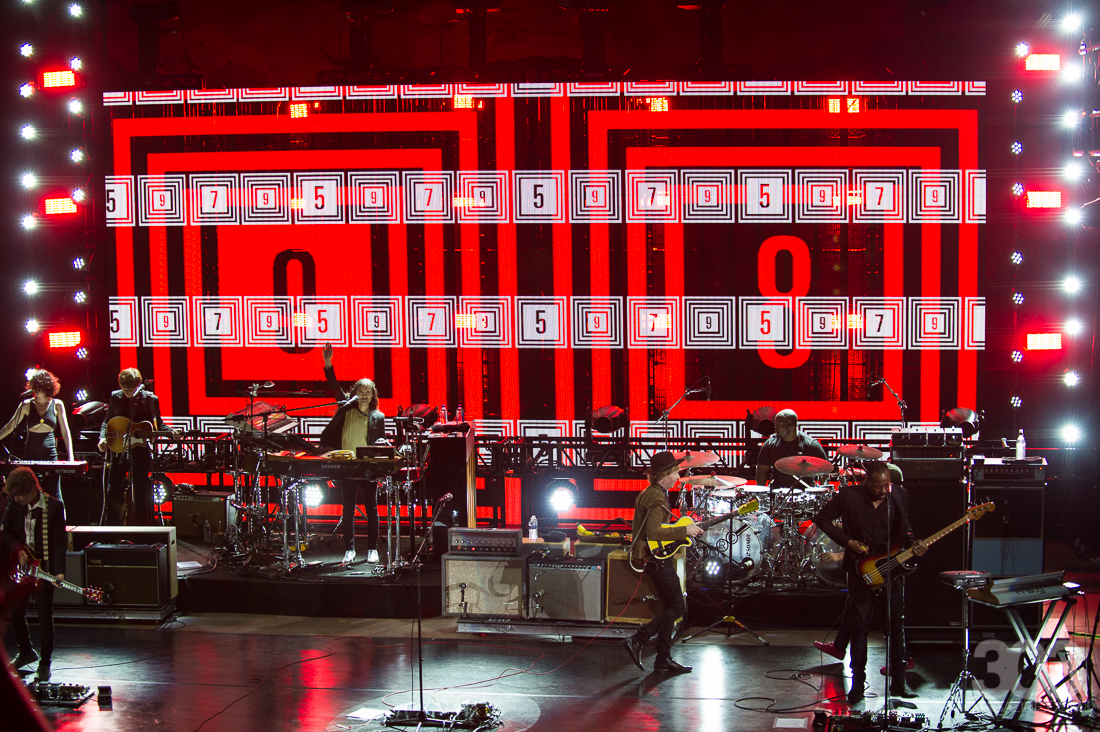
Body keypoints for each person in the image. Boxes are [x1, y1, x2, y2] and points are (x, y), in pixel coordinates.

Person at [812, 461, 927, 704]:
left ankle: (898, 682)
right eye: (878, 487)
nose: (884, 490)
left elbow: (905, 531)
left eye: (887, 485)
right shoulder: (848, 496)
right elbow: (821, 519)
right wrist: (847, 542)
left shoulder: (898, 495)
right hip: (860, 567)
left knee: (896, 624)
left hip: (891, 567)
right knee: (859, 626)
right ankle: (857, 684)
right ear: (867, 483)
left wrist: (914, 544)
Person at [621, 451, 703, 674]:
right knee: (678, 607)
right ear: (664, 474)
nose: (678, 476)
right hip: (656, 560)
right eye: (675, 472)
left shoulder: (651, 493)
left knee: (671, 607)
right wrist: (684, 530)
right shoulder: (656, 497)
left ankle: (662, 659)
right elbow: (654, 531)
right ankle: (638, 638)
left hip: (654, 558)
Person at [320, 344, 385, 566]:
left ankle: (373, 549)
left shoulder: (378, 416)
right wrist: (328, 363)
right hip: (346, 466)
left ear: (373, 395)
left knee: (372, 510)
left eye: (368, 392)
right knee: (347, 510)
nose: (364, 395)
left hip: (367, 468)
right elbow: (334, 387)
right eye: (361, 391)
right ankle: (349, 550)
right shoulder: (345, 408)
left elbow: (380, 443)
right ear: (355, 393)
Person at [2, 467, 66, 681]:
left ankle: (45, 663)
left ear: (31, 489)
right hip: (22, 568)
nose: (17, 499)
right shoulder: (14, 504)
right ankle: (26, 651)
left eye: (19, 494)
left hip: (44, 569)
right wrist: (17, 548)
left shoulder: (54, 507)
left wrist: (58, 571)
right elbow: (6, 531)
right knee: (15, 611)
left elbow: (59, 543)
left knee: (44, 617)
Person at [97, 369, 174, 525]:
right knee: (114, 488)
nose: (127, 393)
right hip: (119, 448)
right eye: (124, 389)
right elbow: (108, 420)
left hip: (140, 449)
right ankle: (112, 528)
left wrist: (172, 433)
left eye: (131, 389)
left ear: (138, 385)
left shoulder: (150, 399)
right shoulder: (115, 397)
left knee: (141, 488)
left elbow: (158, 423)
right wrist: (103, 438)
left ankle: (143, 526)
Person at [0, 370, 75, 500]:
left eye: (40, 387)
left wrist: (71, 457)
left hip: (50, 456)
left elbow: (65, 431)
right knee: (30, 494)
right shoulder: (26, 405)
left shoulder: (57, 404)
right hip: (31, 455)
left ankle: (58, 520)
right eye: (35, 387)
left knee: (54, 496)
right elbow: (10, 427)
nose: (37, 391)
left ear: (47, 387)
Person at [755, 409, 828, 489]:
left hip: (805, 493)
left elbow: (825, 472)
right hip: (778, 492)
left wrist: (822, 491)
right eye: (775, 423)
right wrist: (760, 493)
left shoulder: (811, 444)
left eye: (779, 424)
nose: (775, 427)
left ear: (791, 426)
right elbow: (762, 471)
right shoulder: (769, 445)